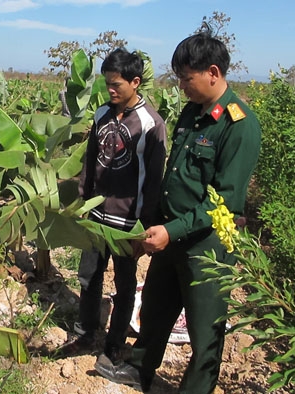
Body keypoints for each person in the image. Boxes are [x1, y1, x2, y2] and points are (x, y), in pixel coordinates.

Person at [96, 30, 262, 393]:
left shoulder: (239, 126)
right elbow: (174, 176)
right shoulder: (192, 111)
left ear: (213, 73)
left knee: (205, 328)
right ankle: (139, 369)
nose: (181, 86)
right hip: (171, 231)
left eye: (187, 78)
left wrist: (173, 230)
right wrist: (156, 225)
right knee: (156, 307)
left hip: (207, 246)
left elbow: (227, 202)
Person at [60, 49, 167, 362]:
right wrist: (82, 201)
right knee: (88, 277)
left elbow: (153, 180)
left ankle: (114, 344)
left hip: (126, 222)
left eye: (116, 84)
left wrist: (144, 226)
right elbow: (90, 163)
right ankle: (85, 333)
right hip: (95, 214)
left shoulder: (151, 123)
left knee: (124, 284)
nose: (110, 89)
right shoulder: (101, 114)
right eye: (107, 83)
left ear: (135, 82)